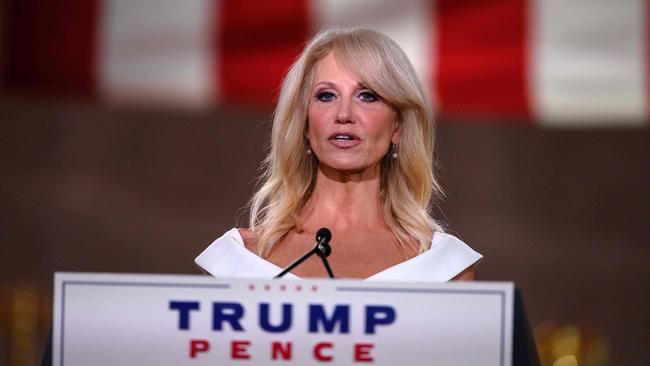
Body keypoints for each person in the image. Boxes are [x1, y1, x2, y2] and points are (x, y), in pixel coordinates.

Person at [196, 27, 481, 281]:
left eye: (367, 96)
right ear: (305, 126)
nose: (344, 114)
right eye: (326, 96)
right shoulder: (237, 263)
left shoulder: (442, 268)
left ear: (399, 126)